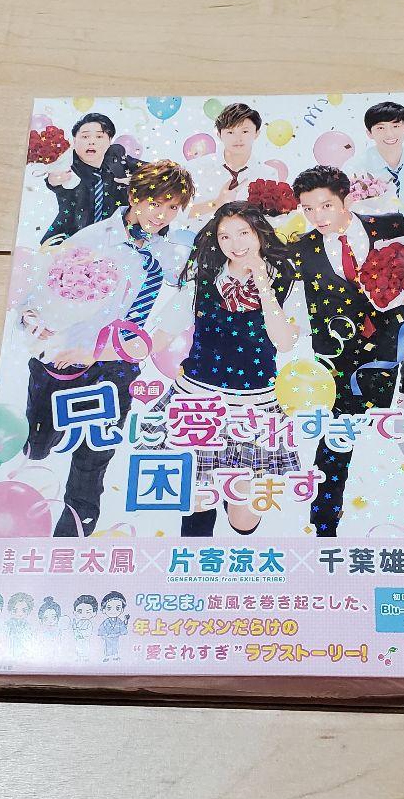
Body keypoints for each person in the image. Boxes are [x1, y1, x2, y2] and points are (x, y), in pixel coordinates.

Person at [20, 160, 196, 536]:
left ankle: (72, 537)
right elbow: (41, 293)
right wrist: (39, 323)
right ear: (134, 196)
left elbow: (181, 301)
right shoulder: (93, 238)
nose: (161, 214)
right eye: (155, 203)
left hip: (116, 365)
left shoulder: (168, 254)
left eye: (172, 207)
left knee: (94, 456)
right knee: (39, 443)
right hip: (63, 362)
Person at [289, 165, 404, 536]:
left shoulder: (389, 226)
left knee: (384, 437)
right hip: (336, 361)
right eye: (308, 209)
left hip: (389, 349)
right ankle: (324, 524)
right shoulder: (302, 250)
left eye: (325, 206)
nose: (317, 217)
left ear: (345, 200)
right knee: (336, 441)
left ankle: (402, 513)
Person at [140, 201, 303, 536]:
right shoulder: (204, 278)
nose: (235, 243)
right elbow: (161, 336)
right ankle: (193, 563)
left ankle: (233, 497)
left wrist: (262, 281)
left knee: (243, 520)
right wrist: (103, 350)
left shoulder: (286, 280)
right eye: (225, 236)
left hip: (254, 407)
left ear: (259, 233)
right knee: (198, 506)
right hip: (198, 402)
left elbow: (285, 341)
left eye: (244, 233)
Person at [40, 113, 147, 242]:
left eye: (99, 136)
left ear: (109, 141)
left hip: (115, 237)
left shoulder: (116, 157)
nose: (92, 141)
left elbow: (155, 171)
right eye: (85, 136)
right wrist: (53, 179)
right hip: (71, 237)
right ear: (74, 140)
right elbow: (54, 180)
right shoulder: (66, 162)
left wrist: (138, 180)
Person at [183, 103, 278, 227]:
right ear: (219, 135)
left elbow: (271, 221)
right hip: (200, 237)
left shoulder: (268, 175)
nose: (238, 138)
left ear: (256, 133)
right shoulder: (196, 168)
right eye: (230, 132)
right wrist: (217, 203)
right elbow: (180, 213)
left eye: (244, 131)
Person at [97, 591, 129, 662]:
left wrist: (126, 621)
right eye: (109, 608)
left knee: (115, 647)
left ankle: (115, 656)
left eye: (117, 608)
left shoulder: (119, 621)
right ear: (104, 610)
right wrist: (103, 635)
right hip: (108, 637)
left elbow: (123, 627)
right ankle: (107, 656)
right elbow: (102, 629)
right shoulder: (106, 622)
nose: (113, 611)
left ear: (122, 610)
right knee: (107, 647)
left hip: (115, 637)